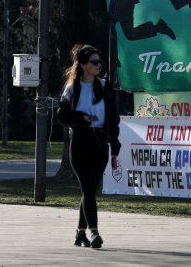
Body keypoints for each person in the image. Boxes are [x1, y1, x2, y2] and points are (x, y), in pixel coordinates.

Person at [56, 44, 121, 249]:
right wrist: (80, 118)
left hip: (100, 143)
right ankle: (94, 232)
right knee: (87, 188)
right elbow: (62, 115)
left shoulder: (105, 87)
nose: (98, 65)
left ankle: (79, 234)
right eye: (94, 62)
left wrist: (115, 147)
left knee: (91, 190)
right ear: (83, 65)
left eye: (99, 62)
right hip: (80, 142)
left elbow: (113, 119)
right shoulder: (72, 88)